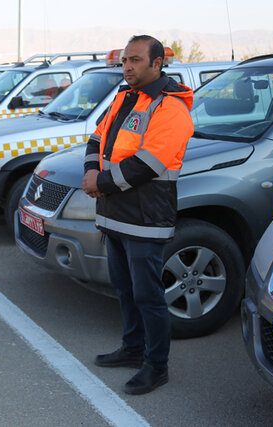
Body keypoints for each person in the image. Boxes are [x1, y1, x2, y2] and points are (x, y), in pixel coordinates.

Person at [82, 35, 194, 395]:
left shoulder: (170, 107)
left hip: (145, 217)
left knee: (148, 296)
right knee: (125, 290)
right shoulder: (124, 97)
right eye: (125, 60)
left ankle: (156, 365)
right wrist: (91, 173)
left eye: (135, 60)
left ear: (157, 63)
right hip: (115, 213)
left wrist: (99, 181)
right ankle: (132, 350)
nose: (127, 66)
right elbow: (97, 139)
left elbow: (149, 163)